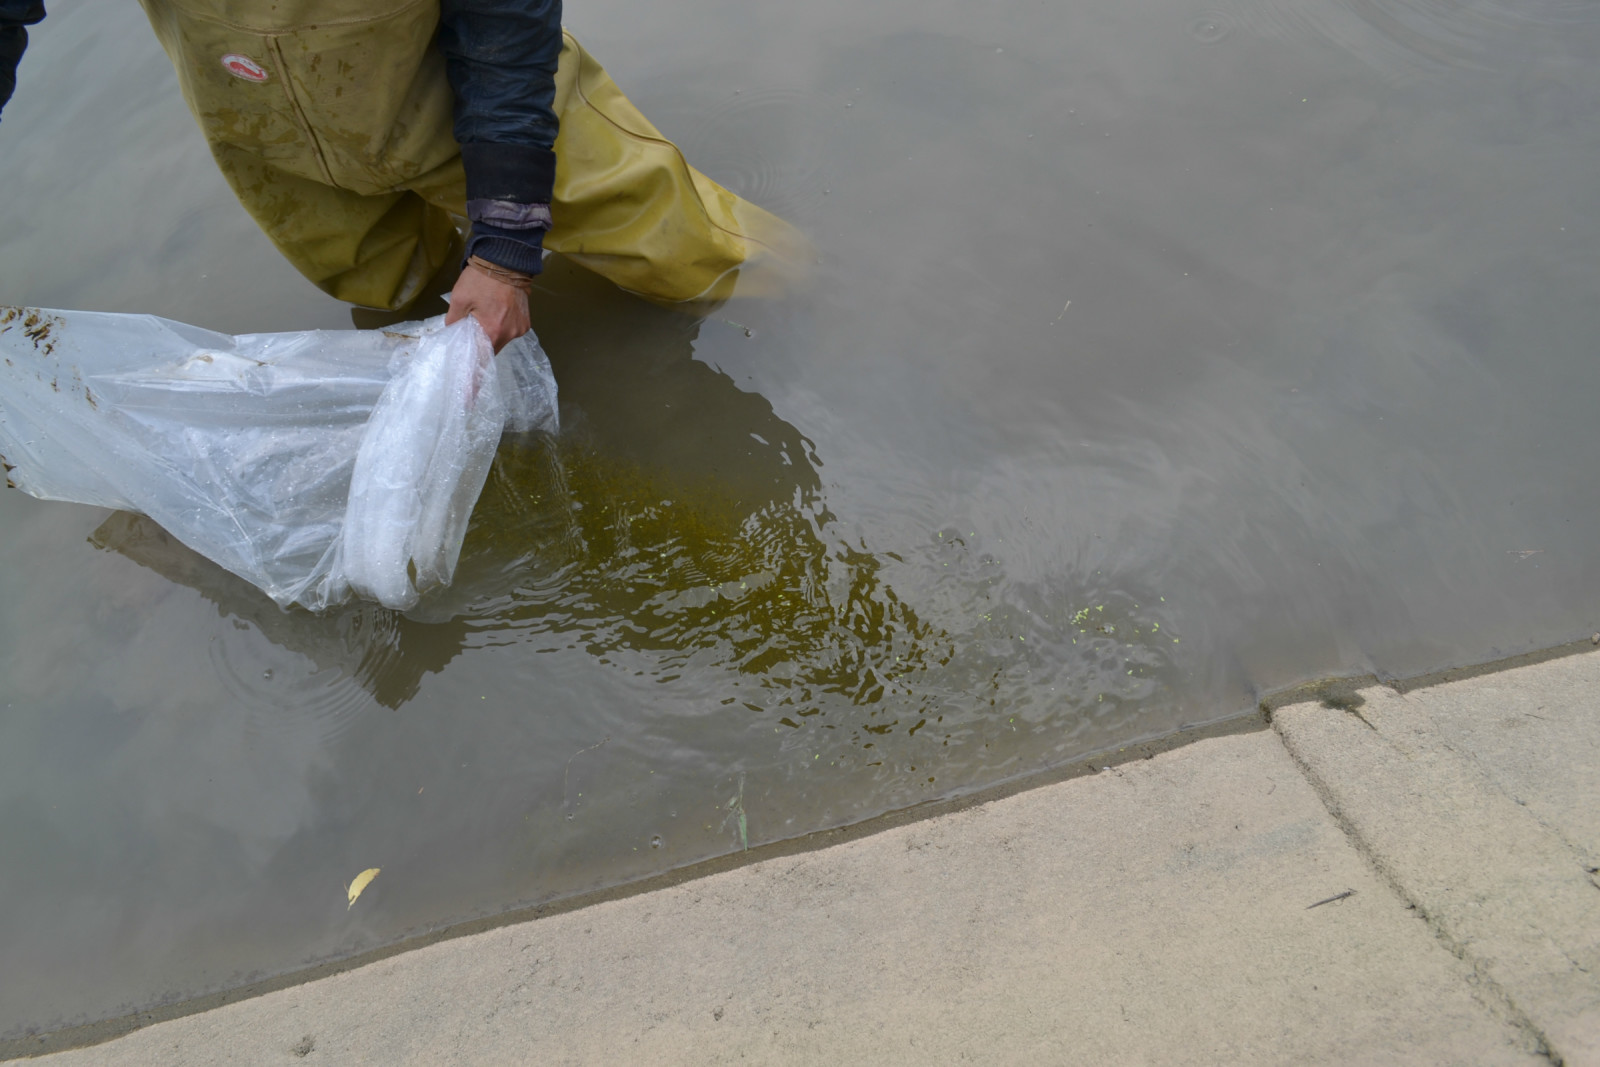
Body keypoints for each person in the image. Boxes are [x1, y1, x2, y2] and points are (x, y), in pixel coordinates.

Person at [0, 1, 808, 351]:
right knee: (397, 303)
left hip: (459, 87)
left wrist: (505, 244)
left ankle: (827, 319)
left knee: (684, 247)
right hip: (264, 132)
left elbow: (505, 21)